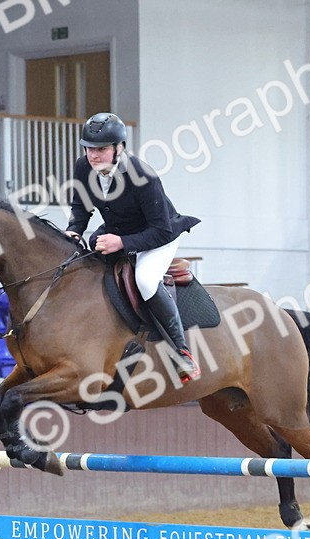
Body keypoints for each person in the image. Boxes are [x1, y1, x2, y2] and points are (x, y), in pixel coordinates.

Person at [65, 112, 202, 383]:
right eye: (88, 148)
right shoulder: (83, 167)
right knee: (87, 261)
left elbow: (160, 230)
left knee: (145, 279)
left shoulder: (142, 175)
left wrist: (122, 243)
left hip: (159, 234)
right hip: (121, 229)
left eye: (101, 149)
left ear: (119, 148)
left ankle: (181, 351)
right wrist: (74, 231)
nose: (93, 155)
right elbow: (81, 207)